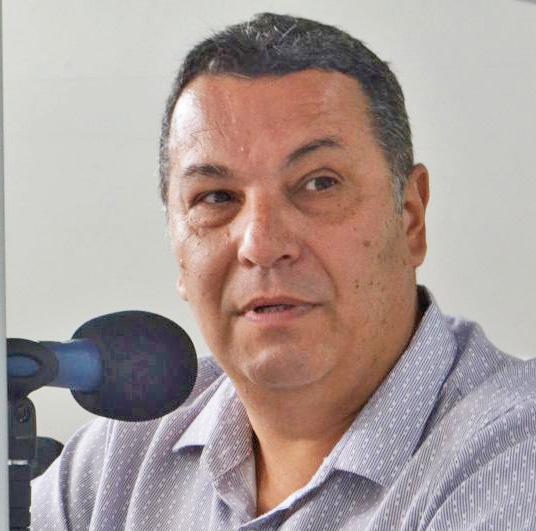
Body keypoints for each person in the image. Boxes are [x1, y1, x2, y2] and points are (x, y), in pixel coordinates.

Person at [31, 12, 536, 530]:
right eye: (216, 197)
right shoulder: (119, 460)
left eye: (319, 184)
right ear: (177, 249)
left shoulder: (514, 459)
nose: (263, 245)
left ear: (410, 218)